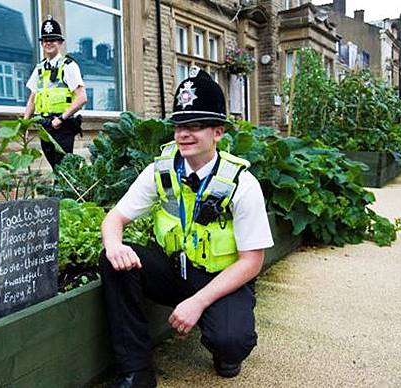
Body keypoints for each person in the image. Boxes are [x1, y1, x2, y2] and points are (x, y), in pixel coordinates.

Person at [99, 67, 274, 388]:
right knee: (114, 262)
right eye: (179, 125)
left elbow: (253, 261)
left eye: (196, 126)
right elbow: (115, 218)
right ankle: (135, 372)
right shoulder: (160, 171)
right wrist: (114, 245)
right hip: (172, 271)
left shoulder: (241, 184)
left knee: (230, 340)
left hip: (220, 277)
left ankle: (224, 348)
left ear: (218, 132)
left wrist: (199, 302)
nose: (184, 134)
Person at [24, 16, 88, 169]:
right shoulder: (39, 68)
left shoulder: (68, 66)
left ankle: (67, 193)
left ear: (59, 42)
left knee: (64, 168)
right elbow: (32, 99)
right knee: (55, 167)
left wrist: (61, 118)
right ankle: (61, 192)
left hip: (62, 126)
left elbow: (82, 98)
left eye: (52, 39)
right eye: (45, 40)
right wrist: (24, 124)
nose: (48, 43)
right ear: (41, 44)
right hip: (45, 126)